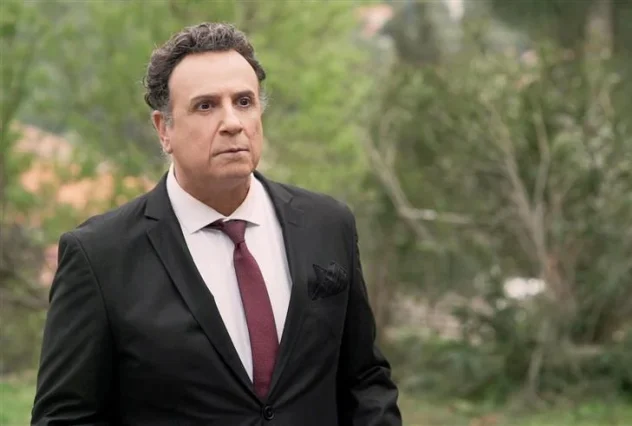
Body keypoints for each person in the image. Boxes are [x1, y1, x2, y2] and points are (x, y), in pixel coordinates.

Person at [31, 22, 402, 425]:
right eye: (206, 106)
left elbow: (365, 381)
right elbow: (65, 417)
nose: (232, 122)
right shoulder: (100, 257)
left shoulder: (328, 225)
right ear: (164, 130)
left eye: (244, 102)